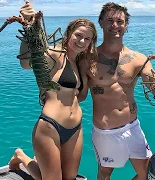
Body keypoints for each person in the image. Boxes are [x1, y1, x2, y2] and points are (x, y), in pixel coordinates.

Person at [77, 2, 155, 180]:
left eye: (120, 21)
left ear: (126, 25)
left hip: (133, 127)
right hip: (105, 132)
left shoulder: (138, 59)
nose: (115, 25)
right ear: (101, 23)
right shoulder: (87, 59)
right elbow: (81, 96)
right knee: (105, 175)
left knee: (148, 175)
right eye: (110, 20)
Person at [8, 2, 98, 180]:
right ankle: (21, 156)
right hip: (50, 126)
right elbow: (26, 63)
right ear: (68, 34)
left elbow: (80, 98)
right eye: (78, 35)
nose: (82, 41)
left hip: (75, 128)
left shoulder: (80, 63)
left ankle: (27, 158)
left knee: (70, 177)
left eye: (87, 39)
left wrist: (87, 76)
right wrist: (29, 27)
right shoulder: (55, 54)